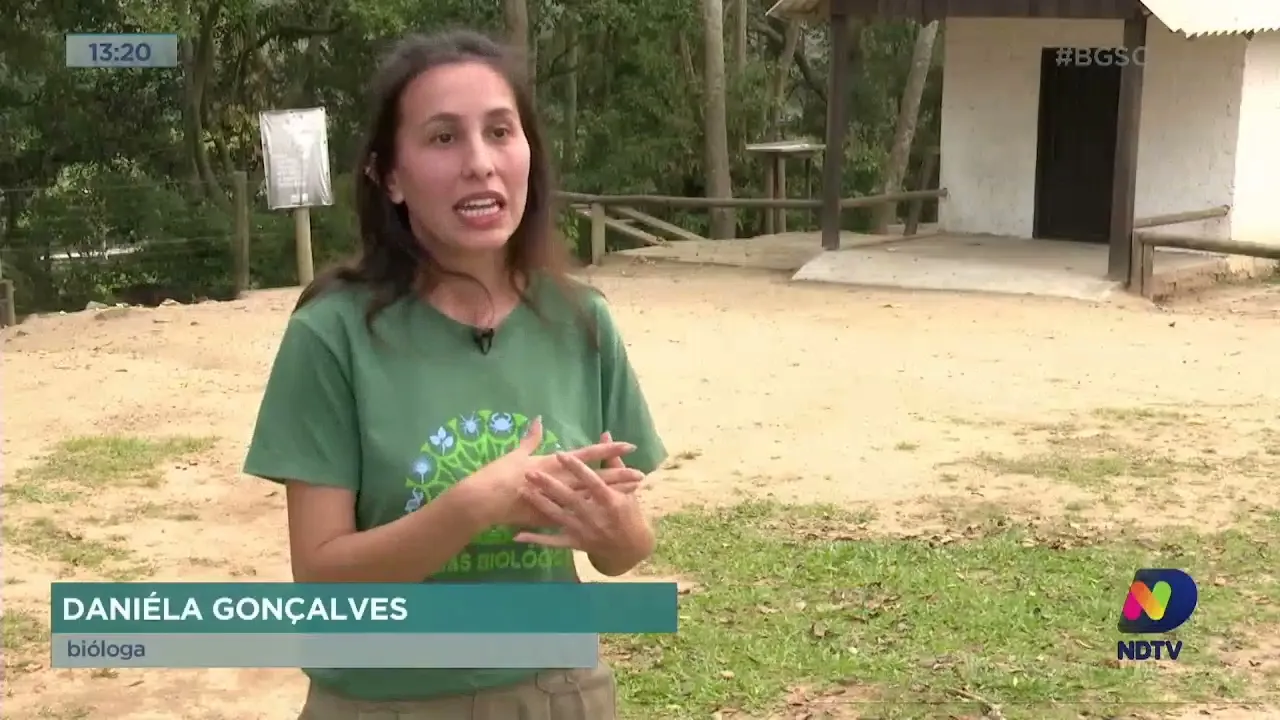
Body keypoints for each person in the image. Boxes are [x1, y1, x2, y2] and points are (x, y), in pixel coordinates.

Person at [242, 29, 667, 720]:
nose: (480, 163)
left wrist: (615, 531)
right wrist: (473, 506)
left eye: (501, 131)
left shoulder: (582, 321)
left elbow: (627, 550)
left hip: (556, 693)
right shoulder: (332, 334)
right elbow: (322, 577)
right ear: (390, 176)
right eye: (443, 139)